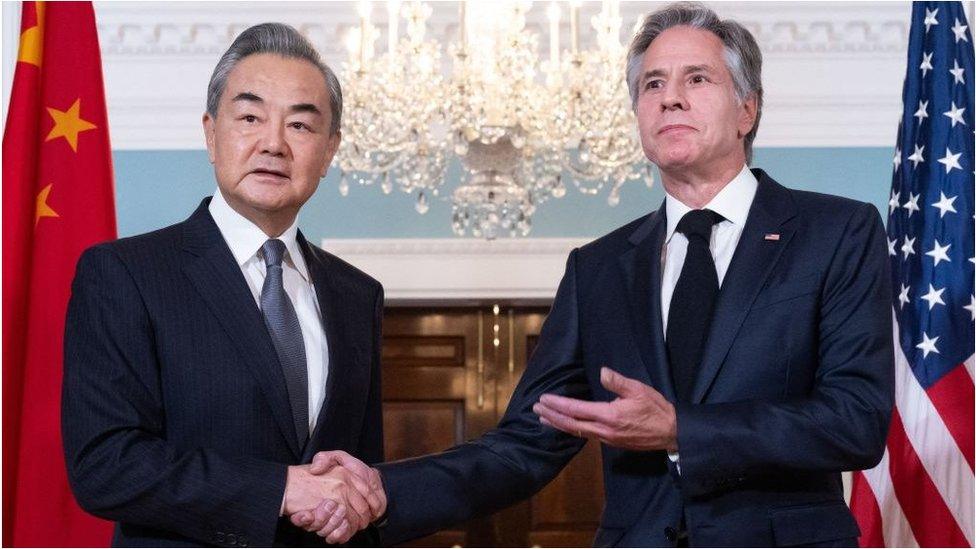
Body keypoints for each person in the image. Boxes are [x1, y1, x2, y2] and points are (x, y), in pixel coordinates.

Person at [293, 2, 895, 547]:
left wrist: (680, 429)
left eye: (697, 79)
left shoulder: (835, 233)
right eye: (652, 84)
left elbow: (855, 420)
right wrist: (381, 489)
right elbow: (527, 443)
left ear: (747, 109)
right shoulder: (599, 268)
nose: (670, 97)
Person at [62, 23, 386, 547]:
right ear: (211, 134)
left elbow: (361, 475)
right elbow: (105, 465)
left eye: (301, 126)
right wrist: (278, 489)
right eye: (251, 117)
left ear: (329, 151)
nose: (274, 144)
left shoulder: (357, 294)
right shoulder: (125, 273)